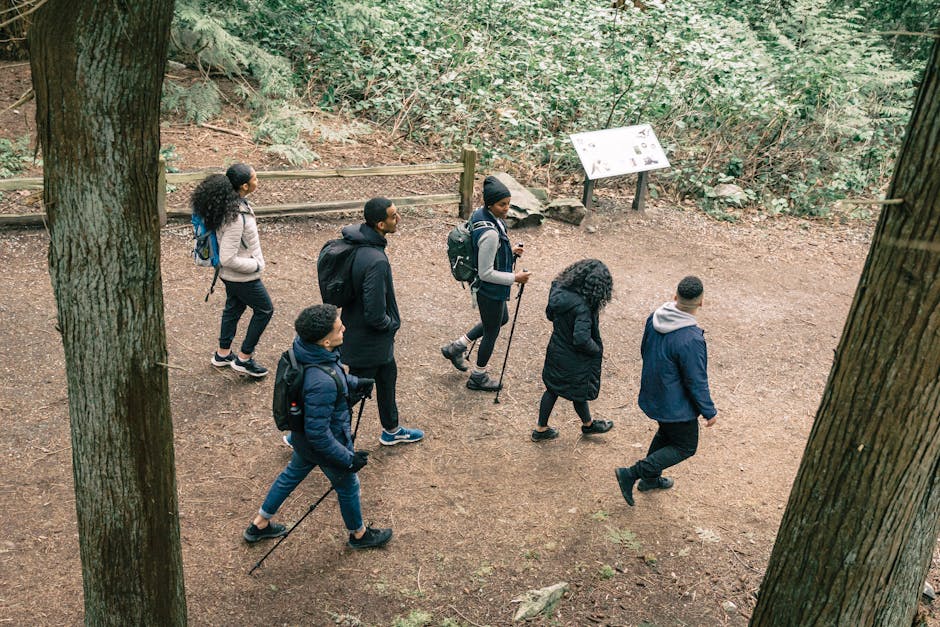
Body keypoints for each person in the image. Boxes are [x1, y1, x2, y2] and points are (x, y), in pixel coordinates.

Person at [243, 303, 392, 549]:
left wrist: (355, 383)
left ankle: (259, 524)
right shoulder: (320, 381)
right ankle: (359, 535)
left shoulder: (308, 351)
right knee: (348, 485)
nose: (344, 327)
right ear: (325, 341)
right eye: (338, 328)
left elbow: (334, 377)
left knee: (291, 475)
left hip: (302, 440)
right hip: (323, 446)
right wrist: (348, 459)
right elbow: (320, 435)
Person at [615, 276, 718, 506]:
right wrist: (709, 411)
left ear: (675, 297)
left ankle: (650, 479)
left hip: (655, 393)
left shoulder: (654, 318)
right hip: (675, 405)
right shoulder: (691, 339)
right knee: (685, 446)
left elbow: (644, 350)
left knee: (667, 434)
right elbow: (696, 380)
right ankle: (631, 473)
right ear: (701, 303)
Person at [339, 198, 424, 446]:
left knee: (387, 376)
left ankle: (392, 429)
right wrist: (390, 325)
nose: (398, 219)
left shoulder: (360, 243)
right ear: (379, 223)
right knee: (352, 392)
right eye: (393, 215)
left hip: (362, 332)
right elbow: (375, 313)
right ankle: (306, 433)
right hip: (368, 340)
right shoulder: (376, 260)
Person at [440, 176, 532, 391]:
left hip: (488, 288)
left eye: (508, 203)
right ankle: (478, 377)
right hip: (488, 289)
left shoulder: (482, 215)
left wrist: (510, 251)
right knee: (492, 330)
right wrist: (515, 278)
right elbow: (486, 272)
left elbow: (485, 253)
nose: (506, 208)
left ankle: (457, 347)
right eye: (502, 204)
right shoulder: (490, 232)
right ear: (490, 204)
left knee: (501, 318)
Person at [191, 163, 272, 378]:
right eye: (255, 178)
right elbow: (227, 257)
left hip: (230, 276)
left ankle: (223, 354)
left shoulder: (230, 205)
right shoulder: (236, 215)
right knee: (265, 310)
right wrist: (257, 265)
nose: (258, 181)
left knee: (234, 308)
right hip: (241, 276)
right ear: (245, 185)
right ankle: (244, 359)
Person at [532, 259, 615, 441]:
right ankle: (587, 425)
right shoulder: (583, 308)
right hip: (575, 358)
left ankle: (542, 428)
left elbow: (550, 315)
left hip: (556, 349)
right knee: (579, 390)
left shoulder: (558, 289)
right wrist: (596, 350)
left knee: (553, 389)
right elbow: (581, 339)